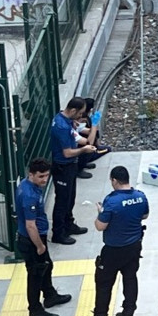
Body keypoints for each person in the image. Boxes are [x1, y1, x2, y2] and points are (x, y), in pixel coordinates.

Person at [79, 166, 150, 316]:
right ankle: (128, 314)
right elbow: (145, 216)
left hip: (113, 250)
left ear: (114, 181)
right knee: (130, 278)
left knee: (104, 284)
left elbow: (100, 226)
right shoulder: (140, 196)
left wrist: (100, 213)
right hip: (134, 247)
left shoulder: (111, 201)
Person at [16, 158, 73, 316]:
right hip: (32, 240)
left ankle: (50, 295)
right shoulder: (29, 195)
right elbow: (30, 226)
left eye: (47, 175)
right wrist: (40, 246)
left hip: (35, 238)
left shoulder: (29, 186)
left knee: (47, 266)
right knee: (35, 275)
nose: (45, 179)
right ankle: (35, 310)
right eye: (41, 176)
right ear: (31, 174)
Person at [50, 98, 97, 245]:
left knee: (70, 198)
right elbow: (67, 153)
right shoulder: (62, 127)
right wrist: (83, 150)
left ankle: (68, 224)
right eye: (80, 113)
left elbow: (82, 139)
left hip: (69, 167)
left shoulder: (64, 120)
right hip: (63, 166)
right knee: (62, 201)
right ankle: (58, 233)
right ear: (73, 111)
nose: (81, 117)